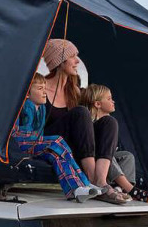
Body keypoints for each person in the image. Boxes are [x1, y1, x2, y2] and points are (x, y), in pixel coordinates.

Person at [43, 38, 129, 204]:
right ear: (59, 61)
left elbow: (87, 123)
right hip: (50, 141)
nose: (77, 61)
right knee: (81, 112)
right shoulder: (41, 87)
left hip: (73, 144)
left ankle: (101, 181)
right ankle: (90, 178)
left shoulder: (75, 91)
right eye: (72, 56)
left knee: (109, 122)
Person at [12, 73, 101, 203]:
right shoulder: (26, 105)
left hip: (36, 143)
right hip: (21, 143)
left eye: (45, 88)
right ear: (27, 93)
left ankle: (76, 190)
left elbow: (39, 133)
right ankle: (85, 181)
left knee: (56, 156)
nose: (44, 93)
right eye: (40, 89)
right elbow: (22, 133)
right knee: (57, 141)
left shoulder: (42, 108)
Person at [80, 84, 148, 202]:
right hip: (92, 160)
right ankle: (131, 189)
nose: (113, 101)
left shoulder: (108, 124)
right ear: (97, 104)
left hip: (104, 161)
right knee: (108, 156)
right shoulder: (90, 124)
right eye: (109, 98)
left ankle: (120, 188)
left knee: (127, 156)